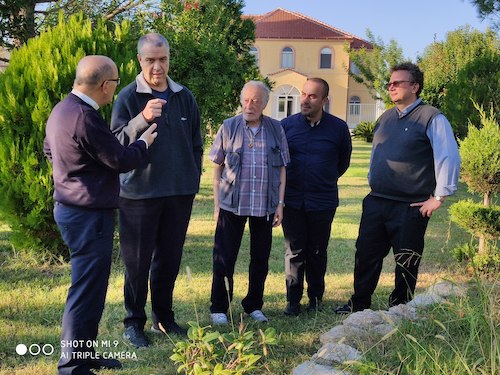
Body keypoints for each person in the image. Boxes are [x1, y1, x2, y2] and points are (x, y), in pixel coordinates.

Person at [44, 55, 158, 375]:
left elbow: (50, 151)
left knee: (90, 289)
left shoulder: (61, 110)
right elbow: (119, 159)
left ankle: (85, 355)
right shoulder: (85, 117)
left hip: (72, 208)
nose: (115, 90)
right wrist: (144, 143)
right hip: (87, 214)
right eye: (116, 83)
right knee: (86, 291)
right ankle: (72, 366)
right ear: (105, 86)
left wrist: (76, 173)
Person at [335, 62, 461, 314]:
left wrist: (440, 196)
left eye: (397, 83)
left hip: (410, 205)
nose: (391, 87)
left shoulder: (431, 118)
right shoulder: (385, 117)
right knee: (366, 255)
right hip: (377, 201)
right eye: (389, 83)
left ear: (415, 87)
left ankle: (400, 307)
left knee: (406, 259)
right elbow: (376, 155)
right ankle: (359, 303)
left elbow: (448, 156)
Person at [110, 33, 203, 347]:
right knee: (137, 262)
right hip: (138, 194)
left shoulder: (184, 96)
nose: (157, 66)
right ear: (140, 60)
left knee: (169, 259)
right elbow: (116, 144)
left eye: (162, 59)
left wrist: (191, 180)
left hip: (178, 194)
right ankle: (133, 322)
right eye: (150, 60)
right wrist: (143, 118)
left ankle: (163, 318)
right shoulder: (127, 96)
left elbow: (196, 145)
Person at [209, 81, 290, 325]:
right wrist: (216, 204)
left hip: (264, 204)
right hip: (232, 203)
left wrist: (280, 204)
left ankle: (254, 305)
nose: (249, 105)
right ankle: (219, 308)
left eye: (255, 100)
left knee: (260, 258)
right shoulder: (228, 127)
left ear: (265, 104)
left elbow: (283, 168)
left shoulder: (276, 129)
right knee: (224, 256)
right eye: (246, 100)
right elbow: (217, 169)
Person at [281, 78, 352, 316]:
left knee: (318, 251)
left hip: (323, 201)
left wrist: (323, 178)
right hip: (292, 200)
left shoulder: (339, 128)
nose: (305, 100)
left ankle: (316, 298)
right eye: (303, 94)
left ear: (324, 100)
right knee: (294, 251)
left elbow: (343, 163)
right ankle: (293, 300)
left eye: (312, 96)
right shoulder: (286, 126)